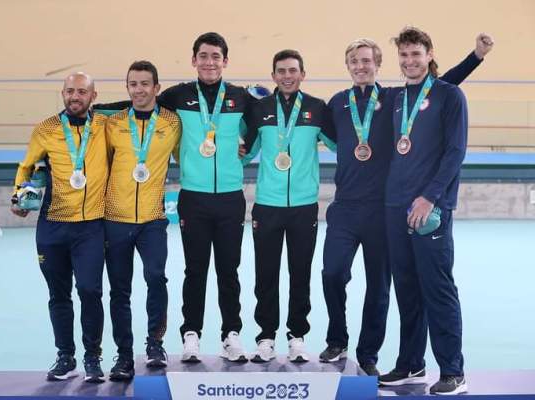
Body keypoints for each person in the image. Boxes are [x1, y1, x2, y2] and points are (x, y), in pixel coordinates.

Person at [321, 33, 493, 377]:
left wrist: (475, 56)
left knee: (415, 288)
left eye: (367, 60)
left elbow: (441, 87)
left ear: (379, 64)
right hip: (372, 207)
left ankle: (431, 367)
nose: (360, 66)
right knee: (382, 284)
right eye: (354, 61)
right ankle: (390, 357)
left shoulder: (404, 97)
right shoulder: (356, 102)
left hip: (406, 207)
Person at [94, 32, 253, 363]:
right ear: (194, 60)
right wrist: (95, 110)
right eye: (203, 56)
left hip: (230, 198)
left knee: (229, 270)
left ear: (225, 61)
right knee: (195, 269)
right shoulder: (178, 95)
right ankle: (191, 333)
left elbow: (263, 128)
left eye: (216, 56)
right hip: (193, 198)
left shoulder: (240, 97)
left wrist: (246, 151)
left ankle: (231, 334)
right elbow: (140, 104)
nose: (209, 62)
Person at [378, 27, 480, 395]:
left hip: (430, 208)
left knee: (437, 289)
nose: (409, 61)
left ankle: (453, 371)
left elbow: (455, 152)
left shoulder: (450, 96)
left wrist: (430, 197)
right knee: (406, 289)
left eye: (416, 54)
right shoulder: (395, 98)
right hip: (395, 205)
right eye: (404, 55)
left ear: (429, 54)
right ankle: (411, 363)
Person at [11, 73, 108, 383]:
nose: (74, 96)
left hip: (91, 226)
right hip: (52, 227)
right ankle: (65, 356)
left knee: (90, 291)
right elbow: (27, 166)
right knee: (58, 294)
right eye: (69, 91)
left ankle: (92, 356)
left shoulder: (106, 126)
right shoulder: (46, 128)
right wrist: (18, 196)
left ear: (93, 96)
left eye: (81, 91)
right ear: (63, 93)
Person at [242, 49, 336, 363]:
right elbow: (245, 151)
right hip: (267, 205)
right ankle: (266, 336)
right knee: (265, 274)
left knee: (300, 273)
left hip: (303, 206)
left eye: (292, 70)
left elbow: (340, 144)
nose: (287, 76)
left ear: (302, 74)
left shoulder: (317, 108)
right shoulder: (260, 109)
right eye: (281, 71)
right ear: (273, 76)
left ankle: (297, 336)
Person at [103, 61, 181, 380]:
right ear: (128, 88)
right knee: (119, 290)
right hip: (115, 219)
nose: (139, 90)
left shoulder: (172, 123)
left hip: (153, 219)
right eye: (133, 84)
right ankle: (123, 355)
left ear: (156, 88)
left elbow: (187, 156)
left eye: (145, 84)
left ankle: (155, 344)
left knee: (156, 278)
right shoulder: (113, 124)